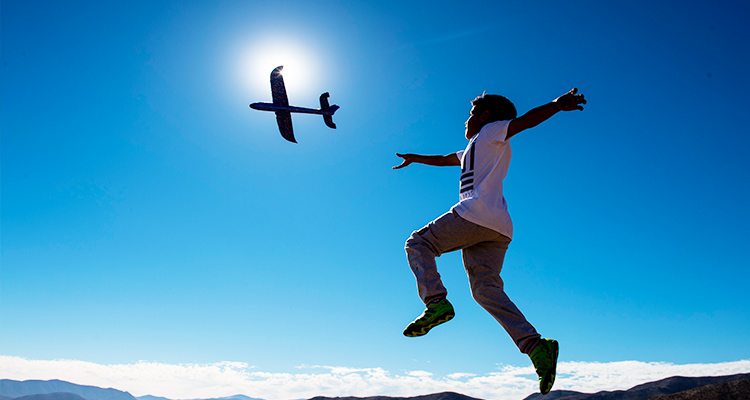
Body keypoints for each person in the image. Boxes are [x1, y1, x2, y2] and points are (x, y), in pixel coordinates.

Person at [393, 88, 586, 395]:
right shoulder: (474, 147)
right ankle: (536, 347)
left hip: (475, 216)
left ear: (483, 116)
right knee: (485, 291)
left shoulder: (492, 131)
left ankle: (436, 303)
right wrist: (415, 158)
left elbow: (524, 122)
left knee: (418, 244)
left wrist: (555, 106)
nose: (466, 121)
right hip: (497, 229)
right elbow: (446, 159)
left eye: (470, 115)